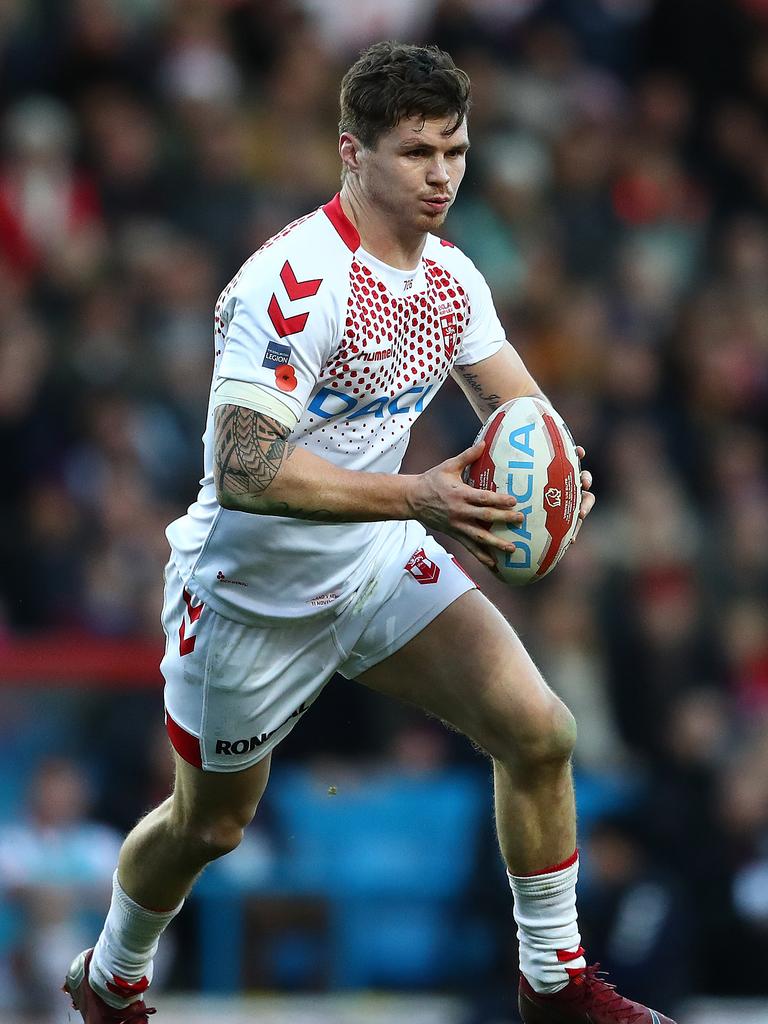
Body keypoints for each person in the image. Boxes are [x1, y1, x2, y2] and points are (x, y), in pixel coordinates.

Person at [63, 41, 675, 1024]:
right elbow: (247, 468)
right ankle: (112, 975)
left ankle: (555, 983)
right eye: (417, 152)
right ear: (354, 153)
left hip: (380, 560)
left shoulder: (453, 281)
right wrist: (424, 498)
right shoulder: (291, 282)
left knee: (541, 730)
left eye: (456, 152)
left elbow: (523, 409)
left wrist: (558, 479)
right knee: (208, 825)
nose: (441, 175)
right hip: (249, 602)